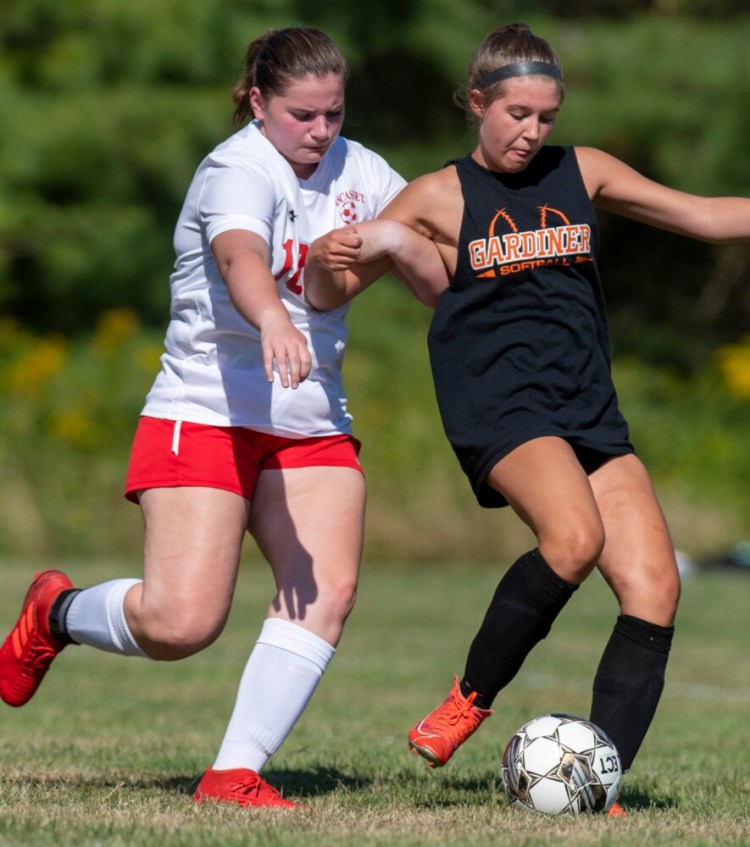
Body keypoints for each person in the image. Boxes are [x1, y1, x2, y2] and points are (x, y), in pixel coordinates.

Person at [305, 22, 750, 814]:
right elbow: (332, 294)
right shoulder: (437, 194)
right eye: (515, 114)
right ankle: (470, 697)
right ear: (478, 103)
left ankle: (598, 784)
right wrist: (329, 257)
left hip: (589, 406)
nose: (531, 132)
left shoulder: (585, 172)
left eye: (545, 116)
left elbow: (707, 216)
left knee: (653, 588)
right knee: (572, 538)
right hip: (499, 404)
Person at [0, 26, 439, 810]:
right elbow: (241, 256)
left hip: (310, 418)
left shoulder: (362, 169)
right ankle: (55, 611)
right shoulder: (234, 169)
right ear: (258, 102)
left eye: (333, 113)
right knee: (181, 623)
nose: (321, 132)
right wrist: (273, 318)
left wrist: (410, 237)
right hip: (206, 411)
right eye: (303, 115)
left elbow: (436, 259)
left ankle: (234, 771)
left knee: (325, 592)